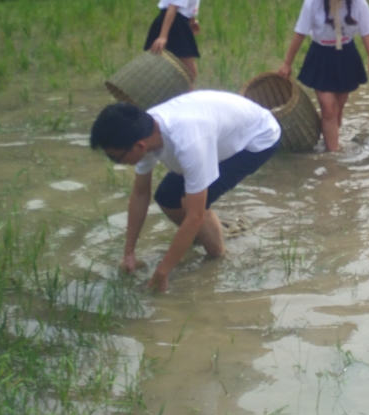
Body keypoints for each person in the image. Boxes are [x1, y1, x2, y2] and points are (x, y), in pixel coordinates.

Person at [89, 92, 281, 291]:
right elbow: (140, 194)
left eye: (115, 158)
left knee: (191, 205)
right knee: (167, 197)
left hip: (258, 137)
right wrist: (129, 252)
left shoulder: (189, 143)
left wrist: (162, 272)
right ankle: (203, 236)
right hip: (217, 130)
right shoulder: (144, 130)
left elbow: (195, 215)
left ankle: (218, 256)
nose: (116, 163)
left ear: (139, 147)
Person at [278, 0, 369, 151]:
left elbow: (366, 32)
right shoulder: (313, 0)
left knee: (338, 108)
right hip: (321, 54)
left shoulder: (357, 0)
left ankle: (329, 144)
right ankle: (333, 155)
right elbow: (300, 33)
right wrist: (287, 63)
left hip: (346, 55)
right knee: (328, 108)